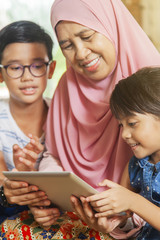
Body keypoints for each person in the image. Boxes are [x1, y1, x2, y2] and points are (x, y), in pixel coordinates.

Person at [1, 0, 160, 239]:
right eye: (67, 45)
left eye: (87, 36)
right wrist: (47, 201)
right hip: (84, 213)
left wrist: (123, 216)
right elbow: (52, 156)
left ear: (110, 25)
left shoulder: (151, 86)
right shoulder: (68, 86)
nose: (81, 54)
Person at [86, 66, 160, 239]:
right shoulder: (134, 165)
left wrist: (133, 201)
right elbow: (128, 218)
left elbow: (132, 202)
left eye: (132, 123)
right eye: (121, 125)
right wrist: (114, 222)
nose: (124, 134)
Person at [0, 20, 56, 221]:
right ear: (0, 74)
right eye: (15, 67)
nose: (27, 77)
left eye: (37, 66)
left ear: (51, 69)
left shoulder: (64, 115)